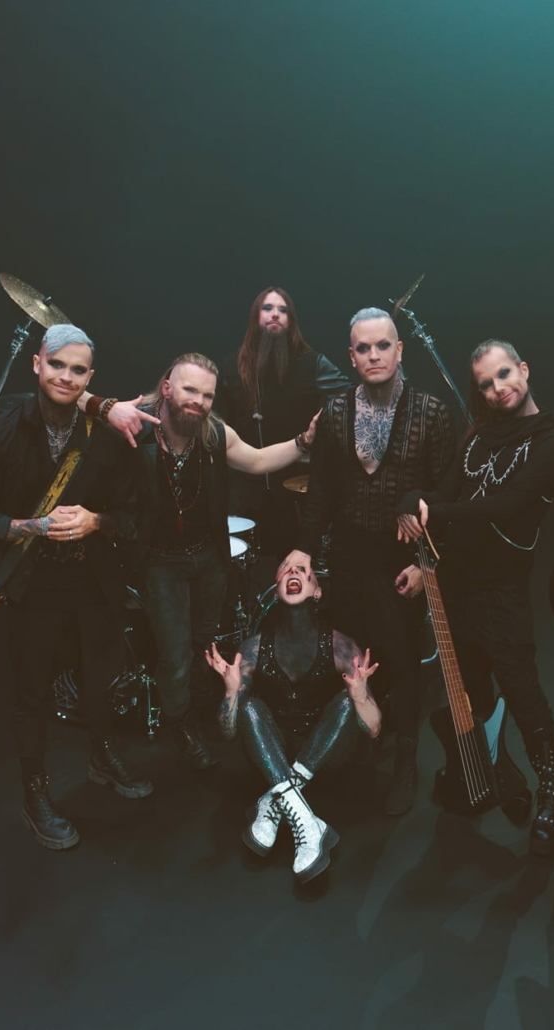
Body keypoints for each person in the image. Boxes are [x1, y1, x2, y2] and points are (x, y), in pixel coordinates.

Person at [0, 324, 152, 850]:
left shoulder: (106, 437)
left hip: (94, 581)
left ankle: (102, 757)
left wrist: (97, 521)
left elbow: (135, 516)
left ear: (90, 377)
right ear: (37, 364)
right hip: (34, 586)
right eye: (57, 364)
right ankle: (35, 792)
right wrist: (31, 527)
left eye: (78, 369)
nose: (66, 376)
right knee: (33, 692)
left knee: (99, 678)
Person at [397, 340, 554, 855]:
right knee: (471, 692)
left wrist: (433, 511)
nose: (498, 389)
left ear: (524, 369)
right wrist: (413, 501)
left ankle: (552, 795)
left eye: (504, 375)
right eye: (486, 384)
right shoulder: (478, 435)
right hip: (457, 587)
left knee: (523, 694)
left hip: (502, 593)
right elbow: (445, 491)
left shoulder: (553, 440)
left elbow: (506, 506)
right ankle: (493, 769)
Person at [280, 308, 455, 815]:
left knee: (402, 658)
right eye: (363, 348)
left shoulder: (432, 412)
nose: (374, 355)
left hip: (401, 558)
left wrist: (427, 565)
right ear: (351, 356)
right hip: (349, 554)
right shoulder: (336, 412)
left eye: (383, 346)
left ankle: (405, 759)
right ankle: (361, 742)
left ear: (400, 350)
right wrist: (304, 546)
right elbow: (322, 491)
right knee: (353, 654)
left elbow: (447, 493)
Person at [129, 353, 319, 771]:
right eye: (189, 390)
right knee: (174, 655)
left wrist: (304, 441)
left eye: (207, 395)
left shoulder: (214, 433)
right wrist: (103, 406)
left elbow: (258, 460)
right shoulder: (137, 429)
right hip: (161, 562)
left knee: (205, 644)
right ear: (166, 388)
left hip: (208, 558)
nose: (198, 402)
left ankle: (199, 711)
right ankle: (179, 725)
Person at [205, 562, 381, 883]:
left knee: (346, 702)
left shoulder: (341, 646)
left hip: (325, 758)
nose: (294, 574)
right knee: (249, 707)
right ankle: (307, 822)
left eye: (303, 571)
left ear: (317, 591)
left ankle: (277, 800)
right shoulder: (253, 648)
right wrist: (230, 693)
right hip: (275, 758)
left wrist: (359, 697)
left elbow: (373, 728)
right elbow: (228, 731)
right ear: (276, 592)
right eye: (286, 571)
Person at [217, 287, 353, 557]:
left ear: (291, 320)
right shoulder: (232, 366)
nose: (275, 314)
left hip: (296, 484)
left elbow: (350, 397)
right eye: (267, 308)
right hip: (243, 487)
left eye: (283, 310)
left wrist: (322, 428)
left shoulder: (312, 363)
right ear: (255, 316)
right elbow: (218, 418)